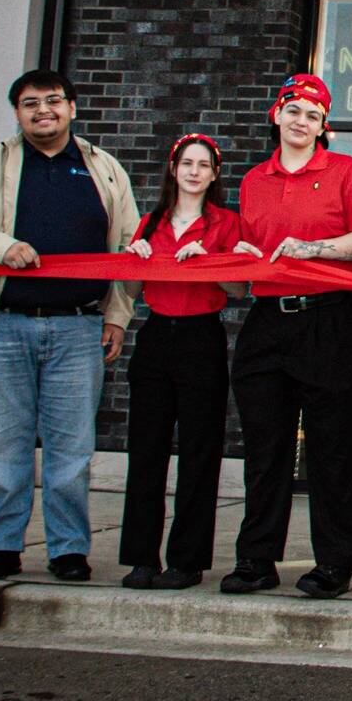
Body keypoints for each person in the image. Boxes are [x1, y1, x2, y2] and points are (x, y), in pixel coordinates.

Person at [0, 71, 138, 583]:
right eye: (29, 104)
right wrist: (0, 247)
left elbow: (131, 250)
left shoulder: (103, 168)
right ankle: (0, 547)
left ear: (72, 107)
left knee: (71, 450)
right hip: (0, 325)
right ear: (17, 113)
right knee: (3, 445)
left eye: (52, 101)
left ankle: (69, 550)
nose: (41, 110)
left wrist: (116, 317)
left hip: (77, 329)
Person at [221, 75, 352, 599]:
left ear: (324, 126)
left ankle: (334, 562)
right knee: (265, 447)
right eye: (294, 111)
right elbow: (249, 250)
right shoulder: (253, 179)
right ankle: (256, 559)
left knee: (330, 447)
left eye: (313, 115)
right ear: (277, 115)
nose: (301, 121)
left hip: (328, 318)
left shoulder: (347, 171)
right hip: (268, 316)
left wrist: (316, 249)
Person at [118, 133, 245, 590]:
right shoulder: (150, 221)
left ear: (214, 174)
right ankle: (141, 558)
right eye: (186, 163)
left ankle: (187, 561)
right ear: (174, 169)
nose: (194, 171)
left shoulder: (227, 223)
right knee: (146, 451)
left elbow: (239, 291)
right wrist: (135, 263)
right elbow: (131, 294)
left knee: (199, 452)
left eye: (203, 165)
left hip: (200, 336)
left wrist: (211, 261)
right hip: (155, 334)